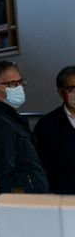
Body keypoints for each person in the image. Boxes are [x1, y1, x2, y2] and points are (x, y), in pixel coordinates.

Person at [0, 59, 48, 194]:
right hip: (24, 199)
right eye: (12, 84)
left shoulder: (11, 117)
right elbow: (5, 173)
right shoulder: (0, 123)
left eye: (20, 82)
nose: (19, 88)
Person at [33, 65, 75, 193]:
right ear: (61, 92)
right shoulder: (47, 125)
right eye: (72, 88)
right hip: (63, 196)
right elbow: (40, 166)